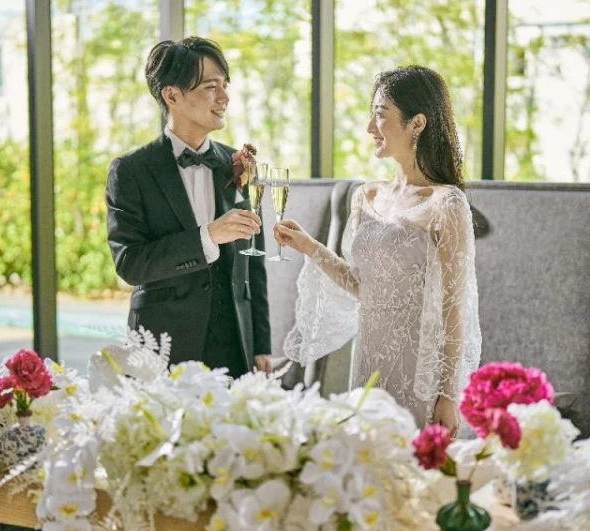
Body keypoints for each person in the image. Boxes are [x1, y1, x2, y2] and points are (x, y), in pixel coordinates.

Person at [276, 66, 481, 435]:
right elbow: (361, 287)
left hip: (419, 376)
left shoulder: (447, 204)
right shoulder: (367, 196)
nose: (370, 127)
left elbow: (454, 309)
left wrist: (448, 396)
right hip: (368, 366)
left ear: (417, 124)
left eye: (380, 115)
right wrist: (309, 246)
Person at [105, 37, 271, 377]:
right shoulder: (131, 170)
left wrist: (261, 344)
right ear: (172, 95)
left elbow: (254, 263)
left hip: (235, 345)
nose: (224, 97)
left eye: (225, 85)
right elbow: (130, 263)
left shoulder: (236, 163)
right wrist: (207, 236)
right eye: (211, 87)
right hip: (163, 346)